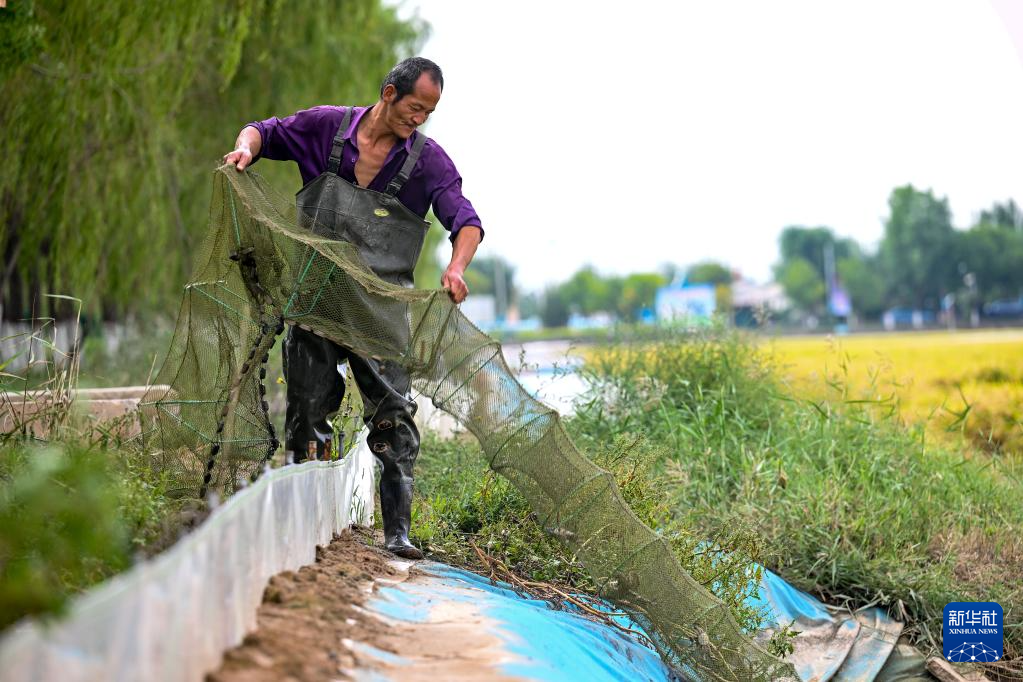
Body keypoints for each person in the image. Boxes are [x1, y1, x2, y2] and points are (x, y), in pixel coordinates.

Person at [223, 57, 483, 559]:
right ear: (388, 93)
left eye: (429, 111)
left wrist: (457, 267)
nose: (420, 119)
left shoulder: (429, 162)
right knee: (306, 409)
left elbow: (465, 220)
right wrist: (243, 150)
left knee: (394, 420)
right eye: (414, 107)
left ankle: (397, 534)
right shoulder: (325, 127)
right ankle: (296, 523)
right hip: (316, 302)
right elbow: (263, 132)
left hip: (380, 314)